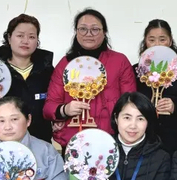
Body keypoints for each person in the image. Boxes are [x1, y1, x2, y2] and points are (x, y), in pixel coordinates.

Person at [44, 8, 136, 152]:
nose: (88, 34)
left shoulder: (120, 61)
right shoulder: (65, 64)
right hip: (73, 141)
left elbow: (131, 103)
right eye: (83, 29)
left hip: (111, 139)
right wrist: (65, 110)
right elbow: (49, 107)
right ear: (76, 32)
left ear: (104, 32)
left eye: (95, 29)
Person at [69, 92, 170, 180]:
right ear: (116, 118)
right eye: (127, 118)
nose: (133, 125)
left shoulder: (160, 157)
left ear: (148, 122)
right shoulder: (99, 149)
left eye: (140, 119)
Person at [0, 14, 55, 142]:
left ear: (37, 41)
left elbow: (56, 103)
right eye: (20, 36)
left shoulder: (47, 71)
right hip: (1, 142)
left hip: (39, 141)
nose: (25, 41)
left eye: (31, 37)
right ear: (9, 38)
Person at [133, 19, 177, 154]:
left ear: (170, 41)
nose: (157, 44)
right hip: (144, 138)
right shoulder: (137, 71)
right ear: (145, 42)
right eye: (152, 40)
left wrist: (176, 107)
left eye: (162, 39)